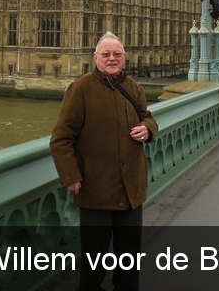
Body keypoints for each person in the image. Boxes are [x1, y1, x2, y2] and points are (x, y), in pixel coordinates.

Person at [50, 31, 158, 291]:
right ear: (95, 58)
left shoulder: (133, 87)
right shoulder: (80, 88)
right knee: (94, 260)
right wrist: (71, 175)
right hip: (96, 188)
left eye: (117, 54)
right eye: (106, 54)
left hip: (131, 188)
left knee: (129, 258)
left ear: (124, 58)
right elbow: (61, 139)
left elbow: (148, 116)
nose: (112, 59)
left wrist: (148, 129)